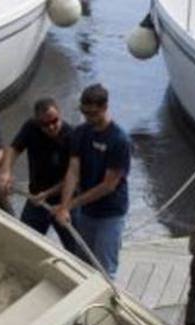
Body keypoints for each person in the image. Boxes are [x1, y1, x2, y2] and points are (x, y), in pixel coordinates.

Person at [54, 83, 131, 279]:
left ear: (105, 108)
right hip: (87, 211)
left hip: (110, 212)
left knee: (104, 268)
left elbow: (108, 185)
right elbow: (73, 171)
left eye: (93, 113)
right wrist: (64, 206)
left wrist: (71, 204)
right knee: (84, 261)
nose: (89, 118)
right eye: (84, 112)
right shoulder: (81, 132)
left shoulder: (119, 140)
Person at [0, 97, 77, 253]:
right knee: (24, 241)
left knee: (75, 249)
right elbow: (14, 148)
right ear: (37, 122)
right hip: (37, 200)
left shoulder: (72, 137)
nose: (52, 127)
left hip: (64, 202)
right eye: (45, 125)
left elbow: (73, 177)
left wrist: (47, 194)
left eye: (54, 121)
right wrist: (6, 172)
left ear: (60, 114)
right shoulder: (30, 127)